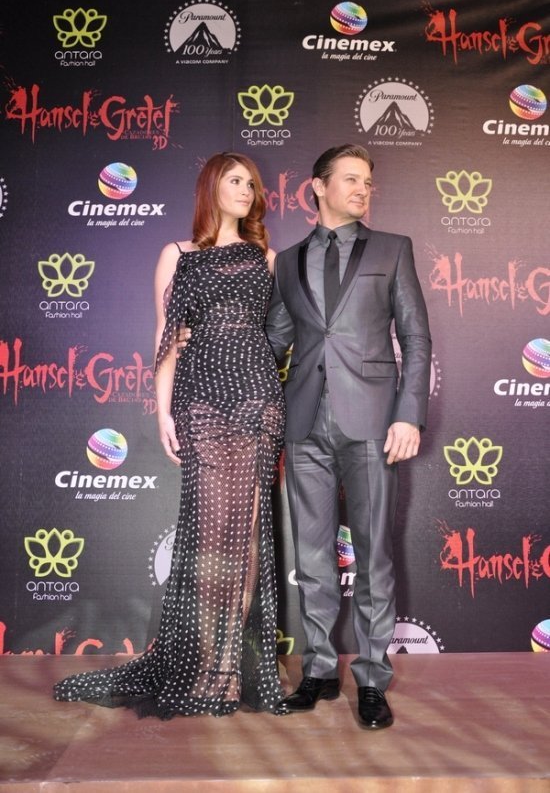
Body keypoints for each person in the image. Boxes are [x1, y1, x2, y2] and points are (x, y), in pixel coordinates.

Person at [53, 151, 287, 718]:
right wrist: (163, 413)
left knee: (247, 540)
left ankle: (226, 671)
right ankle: (203, 664)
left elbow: (278, 331)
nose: (247, 191)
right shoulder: (176, 255)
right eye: (235, 181)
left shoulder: (266, 257)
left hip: (257, 398)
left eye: (252, 184)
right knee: (210, 540)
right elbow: (166, 335)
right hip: (201, 401)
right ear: (211, 188)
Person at [264, 144, 432, 729]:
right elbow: (276, 340)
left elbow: (416, 338)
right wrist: (218, 353)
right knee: (312, 558)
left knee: (373, 555)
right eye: (351, 179)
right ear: (318, 186)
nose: (363, 190)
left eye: (368, 182)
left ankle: (372, 679)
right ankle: (317, 670)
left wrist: (408, 414)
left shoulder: (393, 248)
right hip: (303, 423)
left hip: (374, 423)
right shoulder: (287, 261)